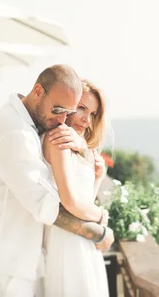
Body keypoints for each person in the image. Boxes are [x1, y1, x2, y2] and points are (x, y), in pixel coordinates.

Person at [0, 65, 115, 297]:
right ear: (37, 91)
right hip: (7, 264)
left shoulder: (26, 124)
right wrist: (101, 229)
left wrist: (85, 151)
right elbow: (47, 206)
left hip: (20, 260)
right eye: (58, 110)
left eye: (68, 112)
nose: (62, 120)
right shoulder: (15, 132)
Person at [42, 79, 110, 296]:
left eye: (92, 114)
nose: (86, 119)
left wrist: (97, 177)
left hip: (83, 239)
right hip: (67, 241)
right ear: (68, 104)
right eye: (81, 108)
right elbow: (69, 201)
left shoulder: (76, 144)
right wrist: (102, 220)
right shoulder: (58, 138)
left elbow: (83, 200)